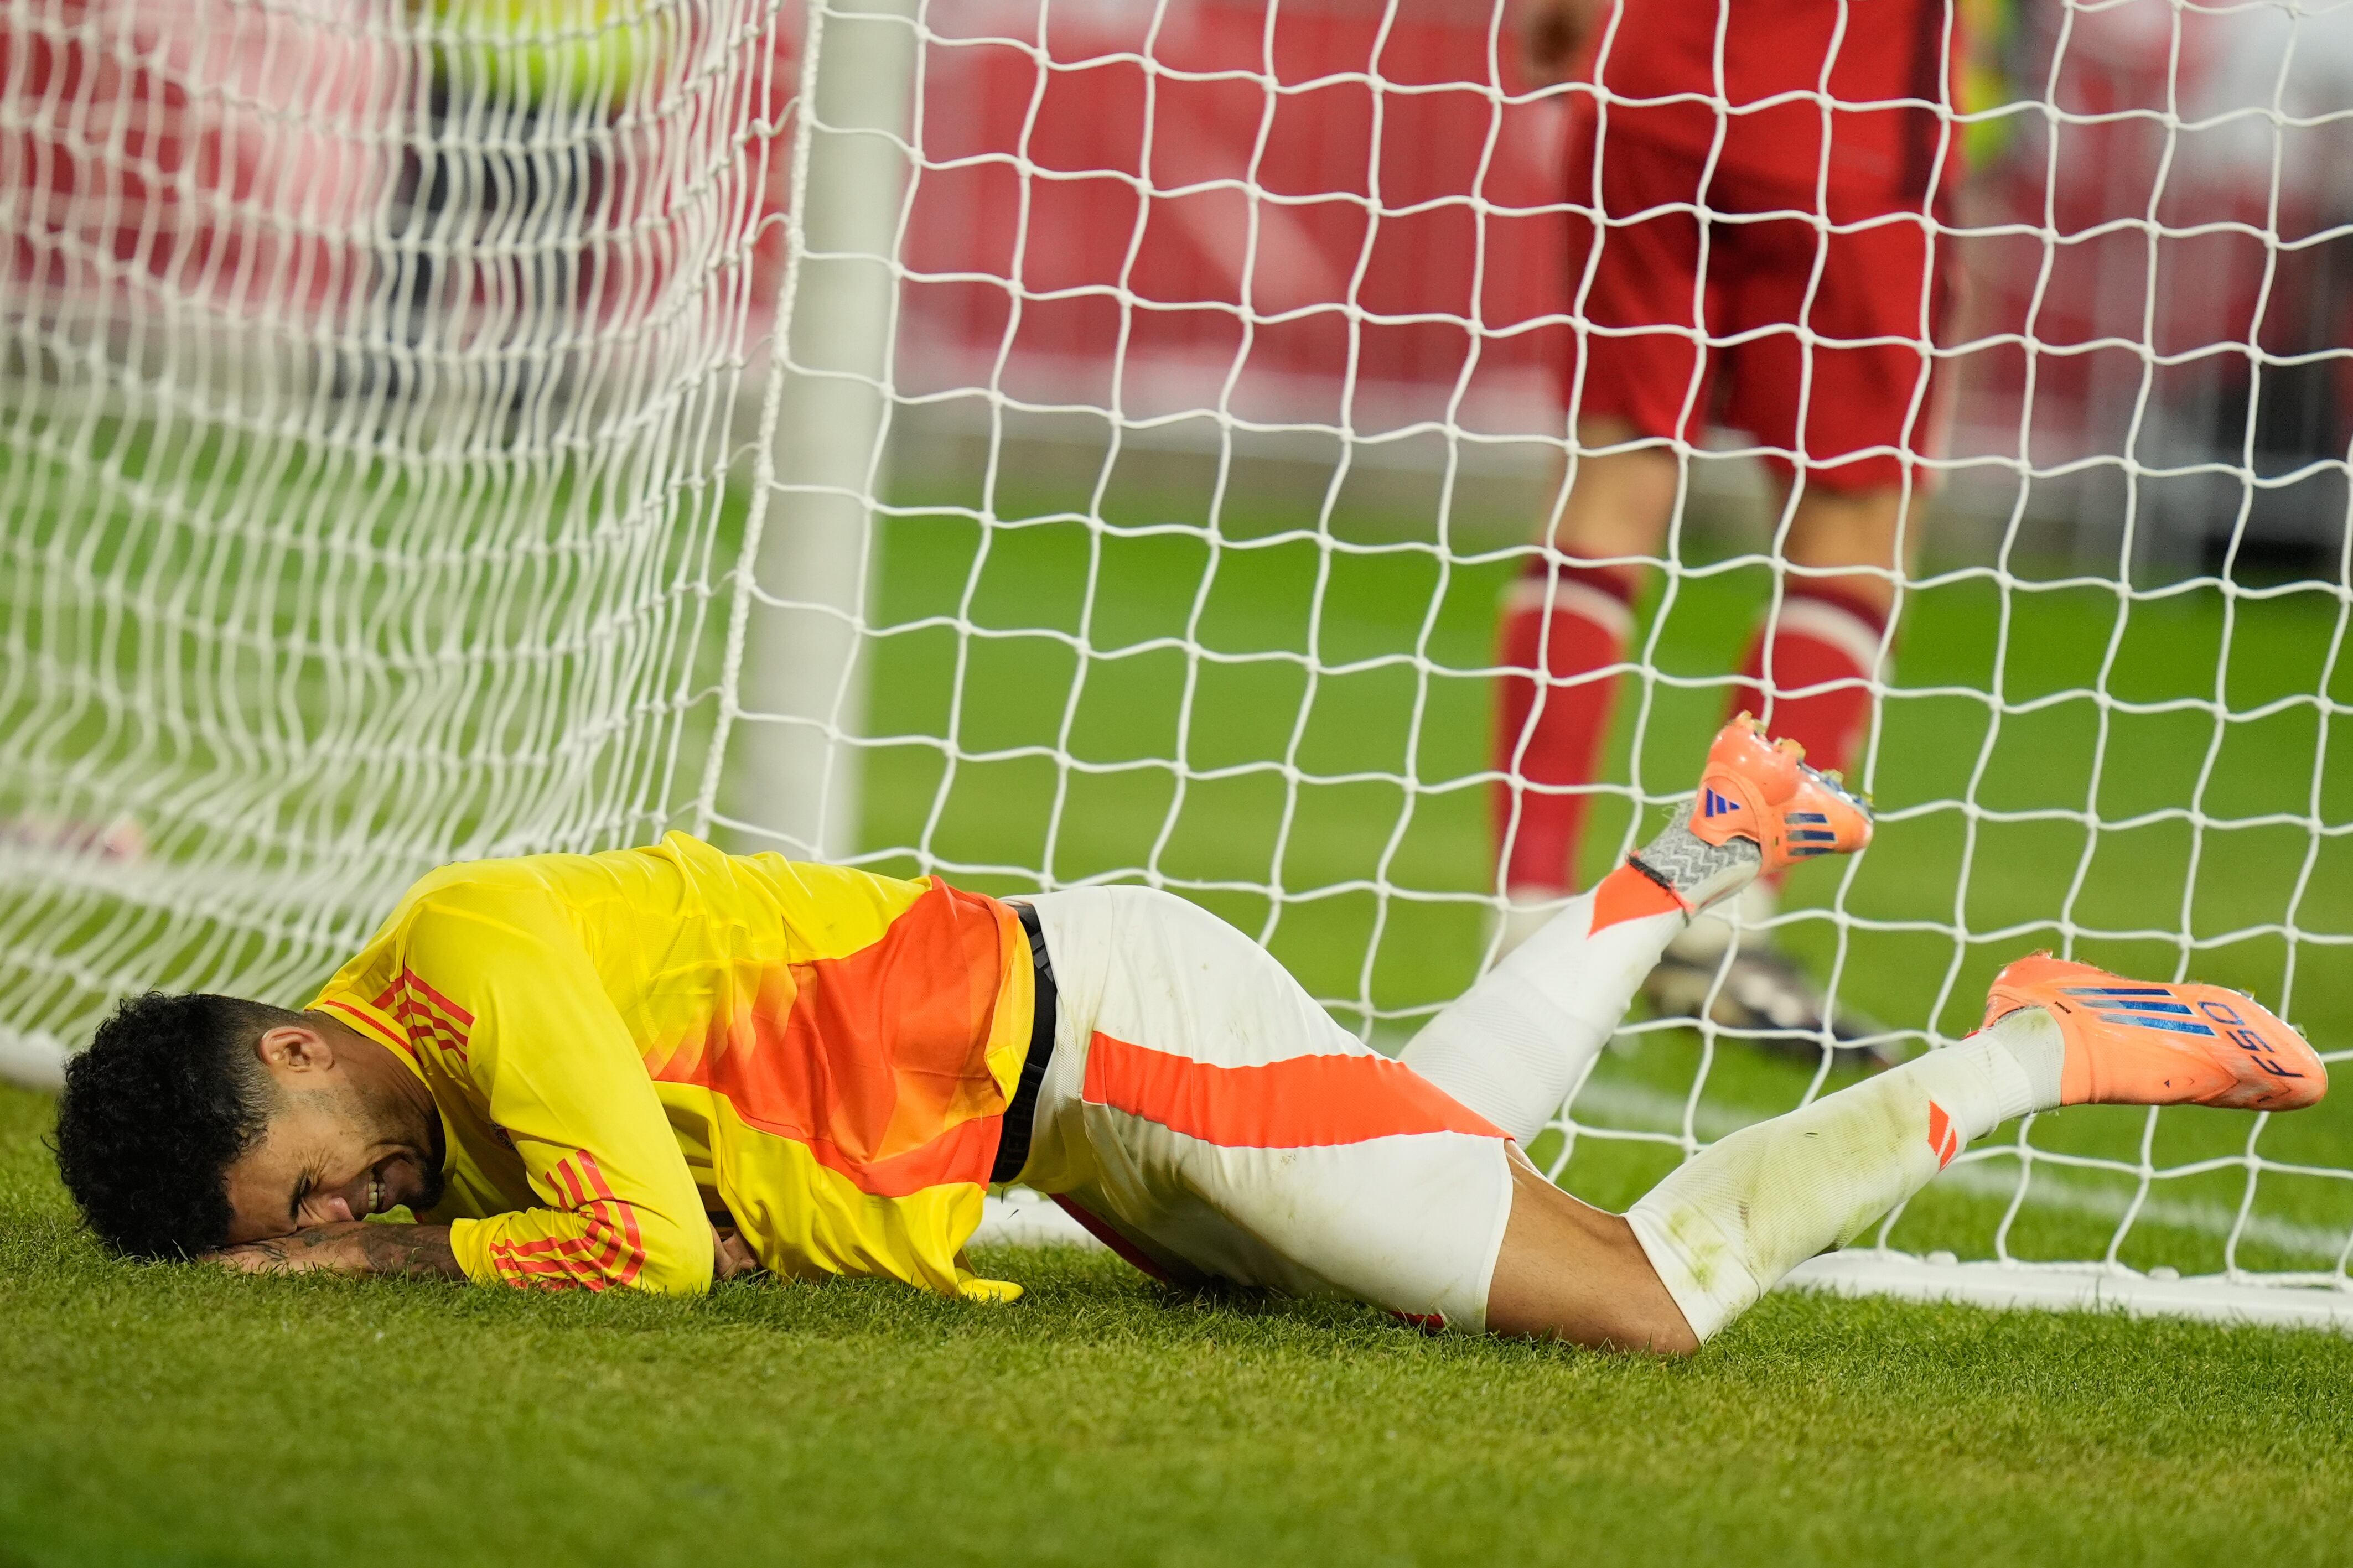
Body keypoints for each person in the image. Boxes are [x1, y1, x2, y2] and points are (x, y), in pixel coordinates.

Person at [50, 721, 2324, 1352]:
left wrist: (344, 1275)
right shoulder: (446, 1038)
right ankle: (1696, 857)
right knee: (1428, 1160)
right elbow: (697, 1191)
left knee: (1640, 1303)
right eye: (317, 1222)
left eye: (315, 1180)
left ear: (302, 1050)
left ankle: (2046, 1041)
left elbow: (636, 1241)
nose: (359, 1210)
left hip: (1124, 1042)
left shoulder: (464, 962)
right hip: (1081, 1131)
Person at [1495, 0, 1967, 1048]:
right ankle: (1718, 924)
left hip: (1649, 79)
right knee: (1853, 522)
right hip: (1849, 102)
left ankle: (1524, 917)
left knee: (1612, 475)